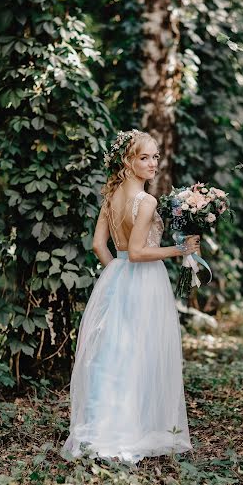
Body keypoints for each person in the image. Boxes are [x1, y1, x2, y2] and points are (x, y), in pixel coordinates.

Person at [62, 129, 200, 464]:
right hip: (145, 281)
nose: (153, 163)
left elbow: (99, 245)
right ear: (128, 161)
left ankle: (102, 427)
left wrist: (116, 276)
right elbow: (138, 252)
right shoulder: (148, 201)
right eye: (144, 157)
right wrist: (180, 248)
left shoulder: (110, 198)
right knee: (140, 353)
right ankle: (130, 431)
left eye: (155, 156)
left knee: (114, 354)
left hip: (119, 277)